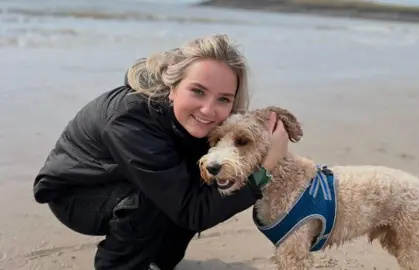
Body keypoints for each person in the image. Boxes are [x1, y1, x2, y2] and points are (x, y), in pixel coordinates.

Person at [32, 34, 289, 270]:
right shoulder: (129, 121)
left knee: (191, 181)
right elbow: (193, 211)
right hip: (77, 193)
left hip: (130, 177)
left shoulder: (207, 123)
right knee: (155, 201)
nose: (208, 110)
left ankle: (158, 262)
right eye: (197, 91)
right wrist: (266, 168)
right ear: (172, 87)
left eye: (224, 99)